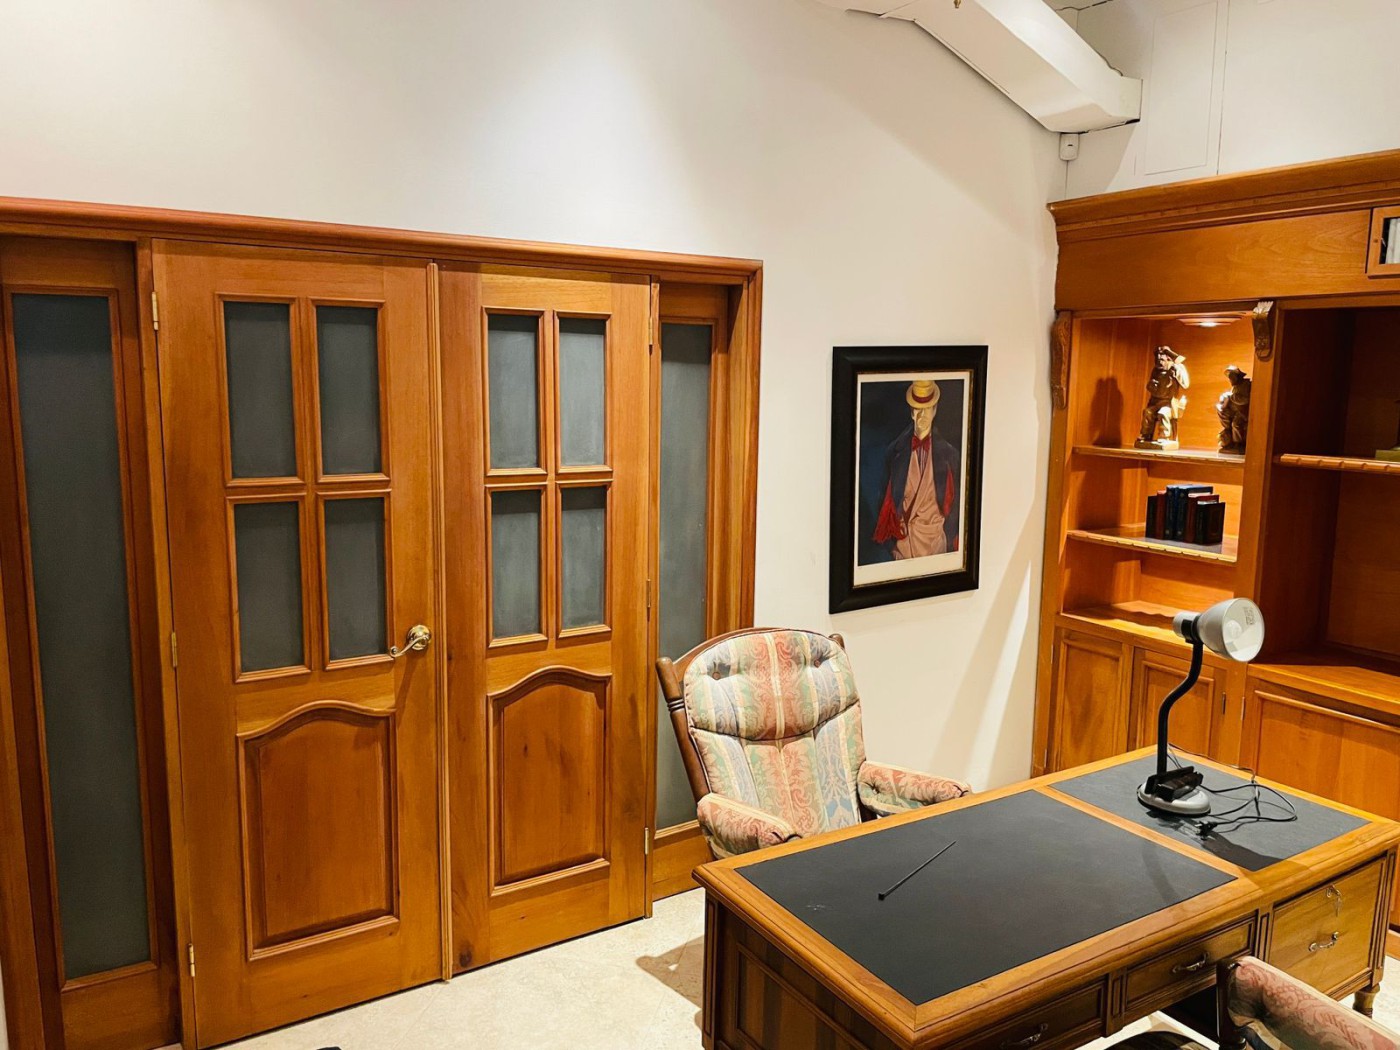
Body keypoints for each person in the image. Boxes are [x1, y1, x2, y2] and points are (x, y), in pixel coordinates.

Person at [872, 379, 960, 560]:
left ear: (934, 410)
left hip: (936, 547)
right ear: (912, 412)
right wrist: (892, 545)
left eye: (927, 409)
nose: (922, 415)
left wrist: (949, 538)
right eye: (918, 409)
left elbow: (957, 504)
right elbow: (884, 502)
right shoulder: (894, 452)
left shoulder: (949, 455)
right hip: (903, 549)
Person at [1136, 346, 1190, 449]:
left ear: (1168, 358)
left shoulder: (1176, 368)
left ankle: (1164, 436)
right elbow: (1150, 386)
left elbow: (1185, 384)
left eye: (1162, 360)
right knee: (1147, 412)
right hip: (1156, 401)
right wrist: (1152, 385)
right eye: (1157, 360)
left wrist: (1177, 369)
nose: (1159, 362)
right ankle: (1146, 435)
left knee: (1163, 413)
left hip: (1169, 403)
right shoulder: (1156, 370)